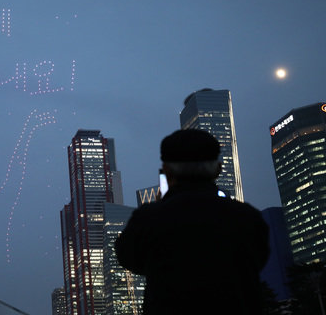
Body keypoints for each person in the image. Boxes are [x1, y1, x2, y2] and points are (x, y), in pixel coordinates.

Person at [115, 129, 270, 315]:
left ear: (167, 171)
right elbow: (258, 261)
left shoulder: (149, 219)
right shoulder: (248, 218)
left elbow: (128, 258)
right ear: (218, 169)